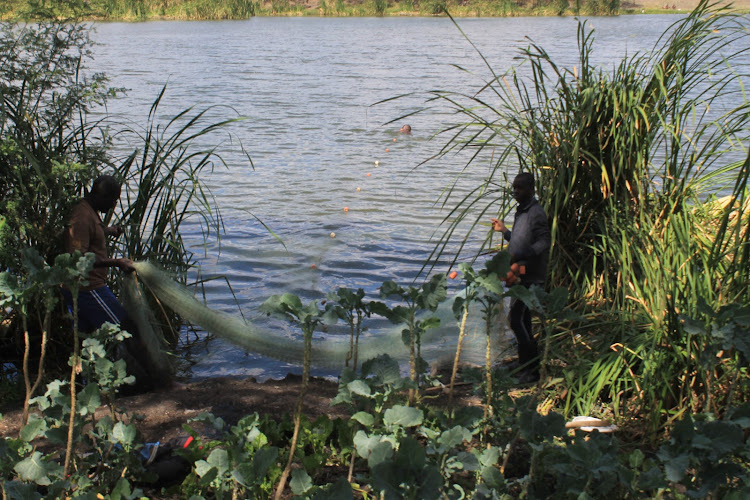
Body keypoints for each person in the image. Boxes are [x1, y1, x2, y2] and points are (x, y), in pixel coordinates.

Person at [63, 174, 161, 393]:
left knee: (84, 342)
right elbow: (79, 257)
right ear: (100, 194)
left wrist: (107, 231)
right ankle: (157, 384)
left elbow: (88, 235)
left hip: (78, 289)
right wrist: (116, 262)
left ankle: (82, 390)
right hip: (88, 289)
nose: (115, 204)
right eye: (113, 199)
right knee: (127, 329)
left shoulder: (88, 211)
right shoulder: (81, 216)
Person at [491, 172, 551, 383]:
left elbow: (544, 242)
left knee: (515, 319)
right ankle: (524, 362)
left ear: (531, 189)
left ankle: (532, 371)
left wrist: (522, 257)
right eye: (514, 188)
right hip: (519, 274)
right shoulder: (521, 212)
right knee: (522, 319)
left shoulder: (536, 213)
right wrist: (504, 231)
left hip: (531, 276)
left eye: (520, 188)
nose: (516, 192)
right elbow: (519, 241)